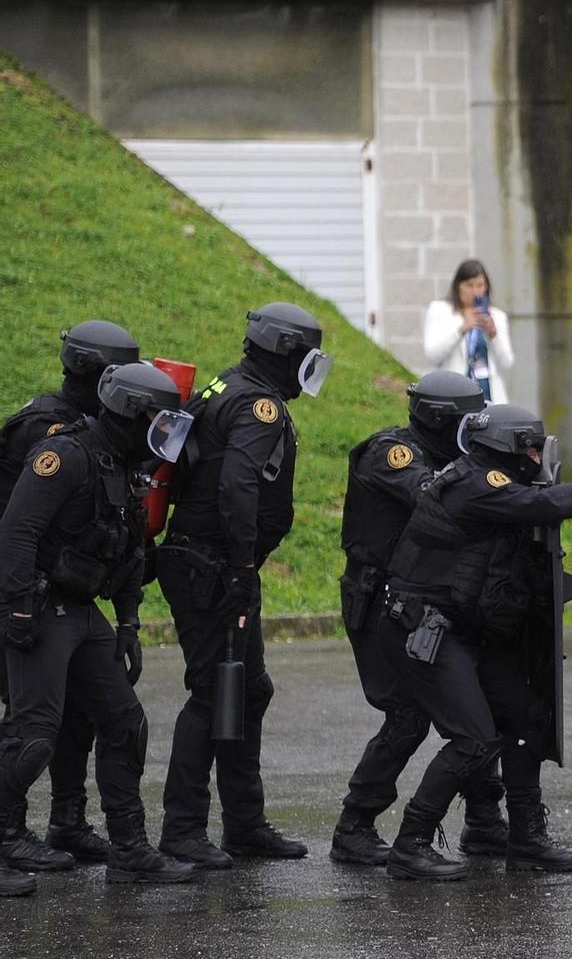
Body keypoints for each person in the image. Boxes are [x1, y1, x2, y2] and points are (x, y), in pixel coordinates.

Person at [380, 406, 572, 881]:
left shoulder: (488, 477)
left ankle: (525, 838)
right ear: (509, 447)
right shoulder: (477, 484)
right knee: (474, 739)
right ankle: (411, 843)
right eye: (532, 446)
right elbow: (541, 506)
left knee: (523, 716)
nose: (536, 455)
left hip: (466, 627)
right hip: (429, 627)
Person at [0, 363, 201, 889]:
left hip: (84, 611)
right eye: (160, 423)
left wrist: (130, 622)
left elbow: (132, 550)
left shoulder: (126, 465)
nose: (165, 437)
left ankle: (130, 849)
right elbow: (17, 532)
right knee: (32, 738)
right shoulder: (65, 455)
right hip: (41, 605)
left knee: (125, 723)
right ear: (132, 413)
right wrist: (18, 606)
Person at [156, 302, 330, 869]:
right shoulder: (259, 406)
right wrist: (238, 567)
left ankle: (245, 825)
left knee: (249, 690)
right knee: (213, 692)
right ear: (286, 351)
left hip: (204, 562)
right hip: (213, 567)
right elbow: (237, 488)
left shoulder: (223, 386)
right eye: (306, 354)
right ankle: (182, 831)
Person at [330, 370, 494, 866]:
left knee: (478, 709)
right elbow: (429, 493)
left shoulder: (453, 458)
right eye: (469, 421)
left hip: (429, 601)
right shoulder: (392, 452)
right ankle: (353, 826)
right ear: (442, 420)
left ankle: (487, 821)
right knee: (407, 716)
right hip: (379, 598)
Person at [0, 320, 141, 863]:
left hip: (67, 599)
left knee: (83, 715)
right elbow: (21, 528)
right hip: (24, 593)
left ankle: (68, 820)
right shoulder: (48, 430)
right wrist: (18, 603)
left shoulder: (98, 433)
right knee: (29, 725)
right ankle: (9, 834)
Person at [422, 258, 513, 405]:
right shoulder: (439, 311)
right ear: (458, 286)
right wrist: (462, 329)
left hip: (489, 396)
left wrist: (493, 335)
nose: (475, 291)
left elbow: (507, 362)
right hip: (453, 396)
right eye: (469, 286)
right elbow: (433, 356)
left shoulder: (497, 316)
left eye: (480, 285)